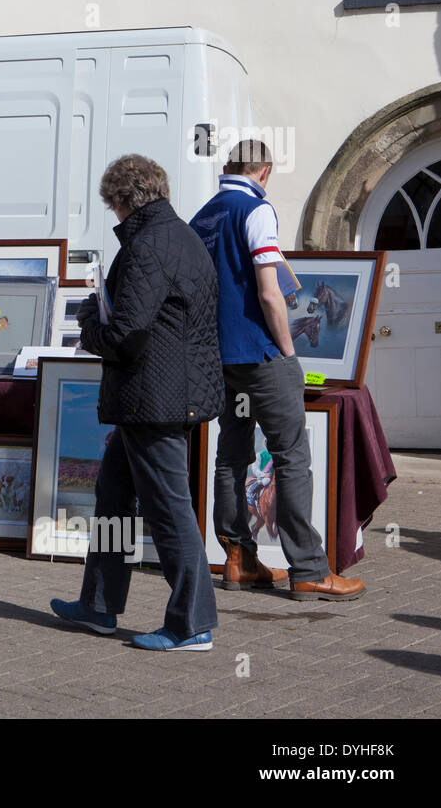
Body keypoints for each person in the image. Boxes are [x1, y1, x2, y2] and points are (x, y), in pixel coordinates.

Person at [51, 154, 224, 652]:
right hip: (159, 396)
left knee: (168, 508)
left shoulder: (148, 245)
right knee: (112, 495)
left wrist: (88, 324)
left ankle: (192, 624)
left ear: (124, 200)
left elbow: (126, 335)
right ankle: (100, 606)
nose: (113, 215)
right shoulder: (181, 236)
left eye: (113, 205)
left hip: (156, 400)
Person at [191, 140, 365, 601]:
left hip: (217, 356)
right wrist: (289, 353)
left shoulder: (203, 215)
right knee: (291, 458)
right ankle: (308, 568)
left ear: (228, 166)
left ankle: (240, 558)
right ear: (264, 171)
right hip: (260, 355)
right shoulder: (256, 209)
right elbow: (269, 293)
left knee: (230, 456)